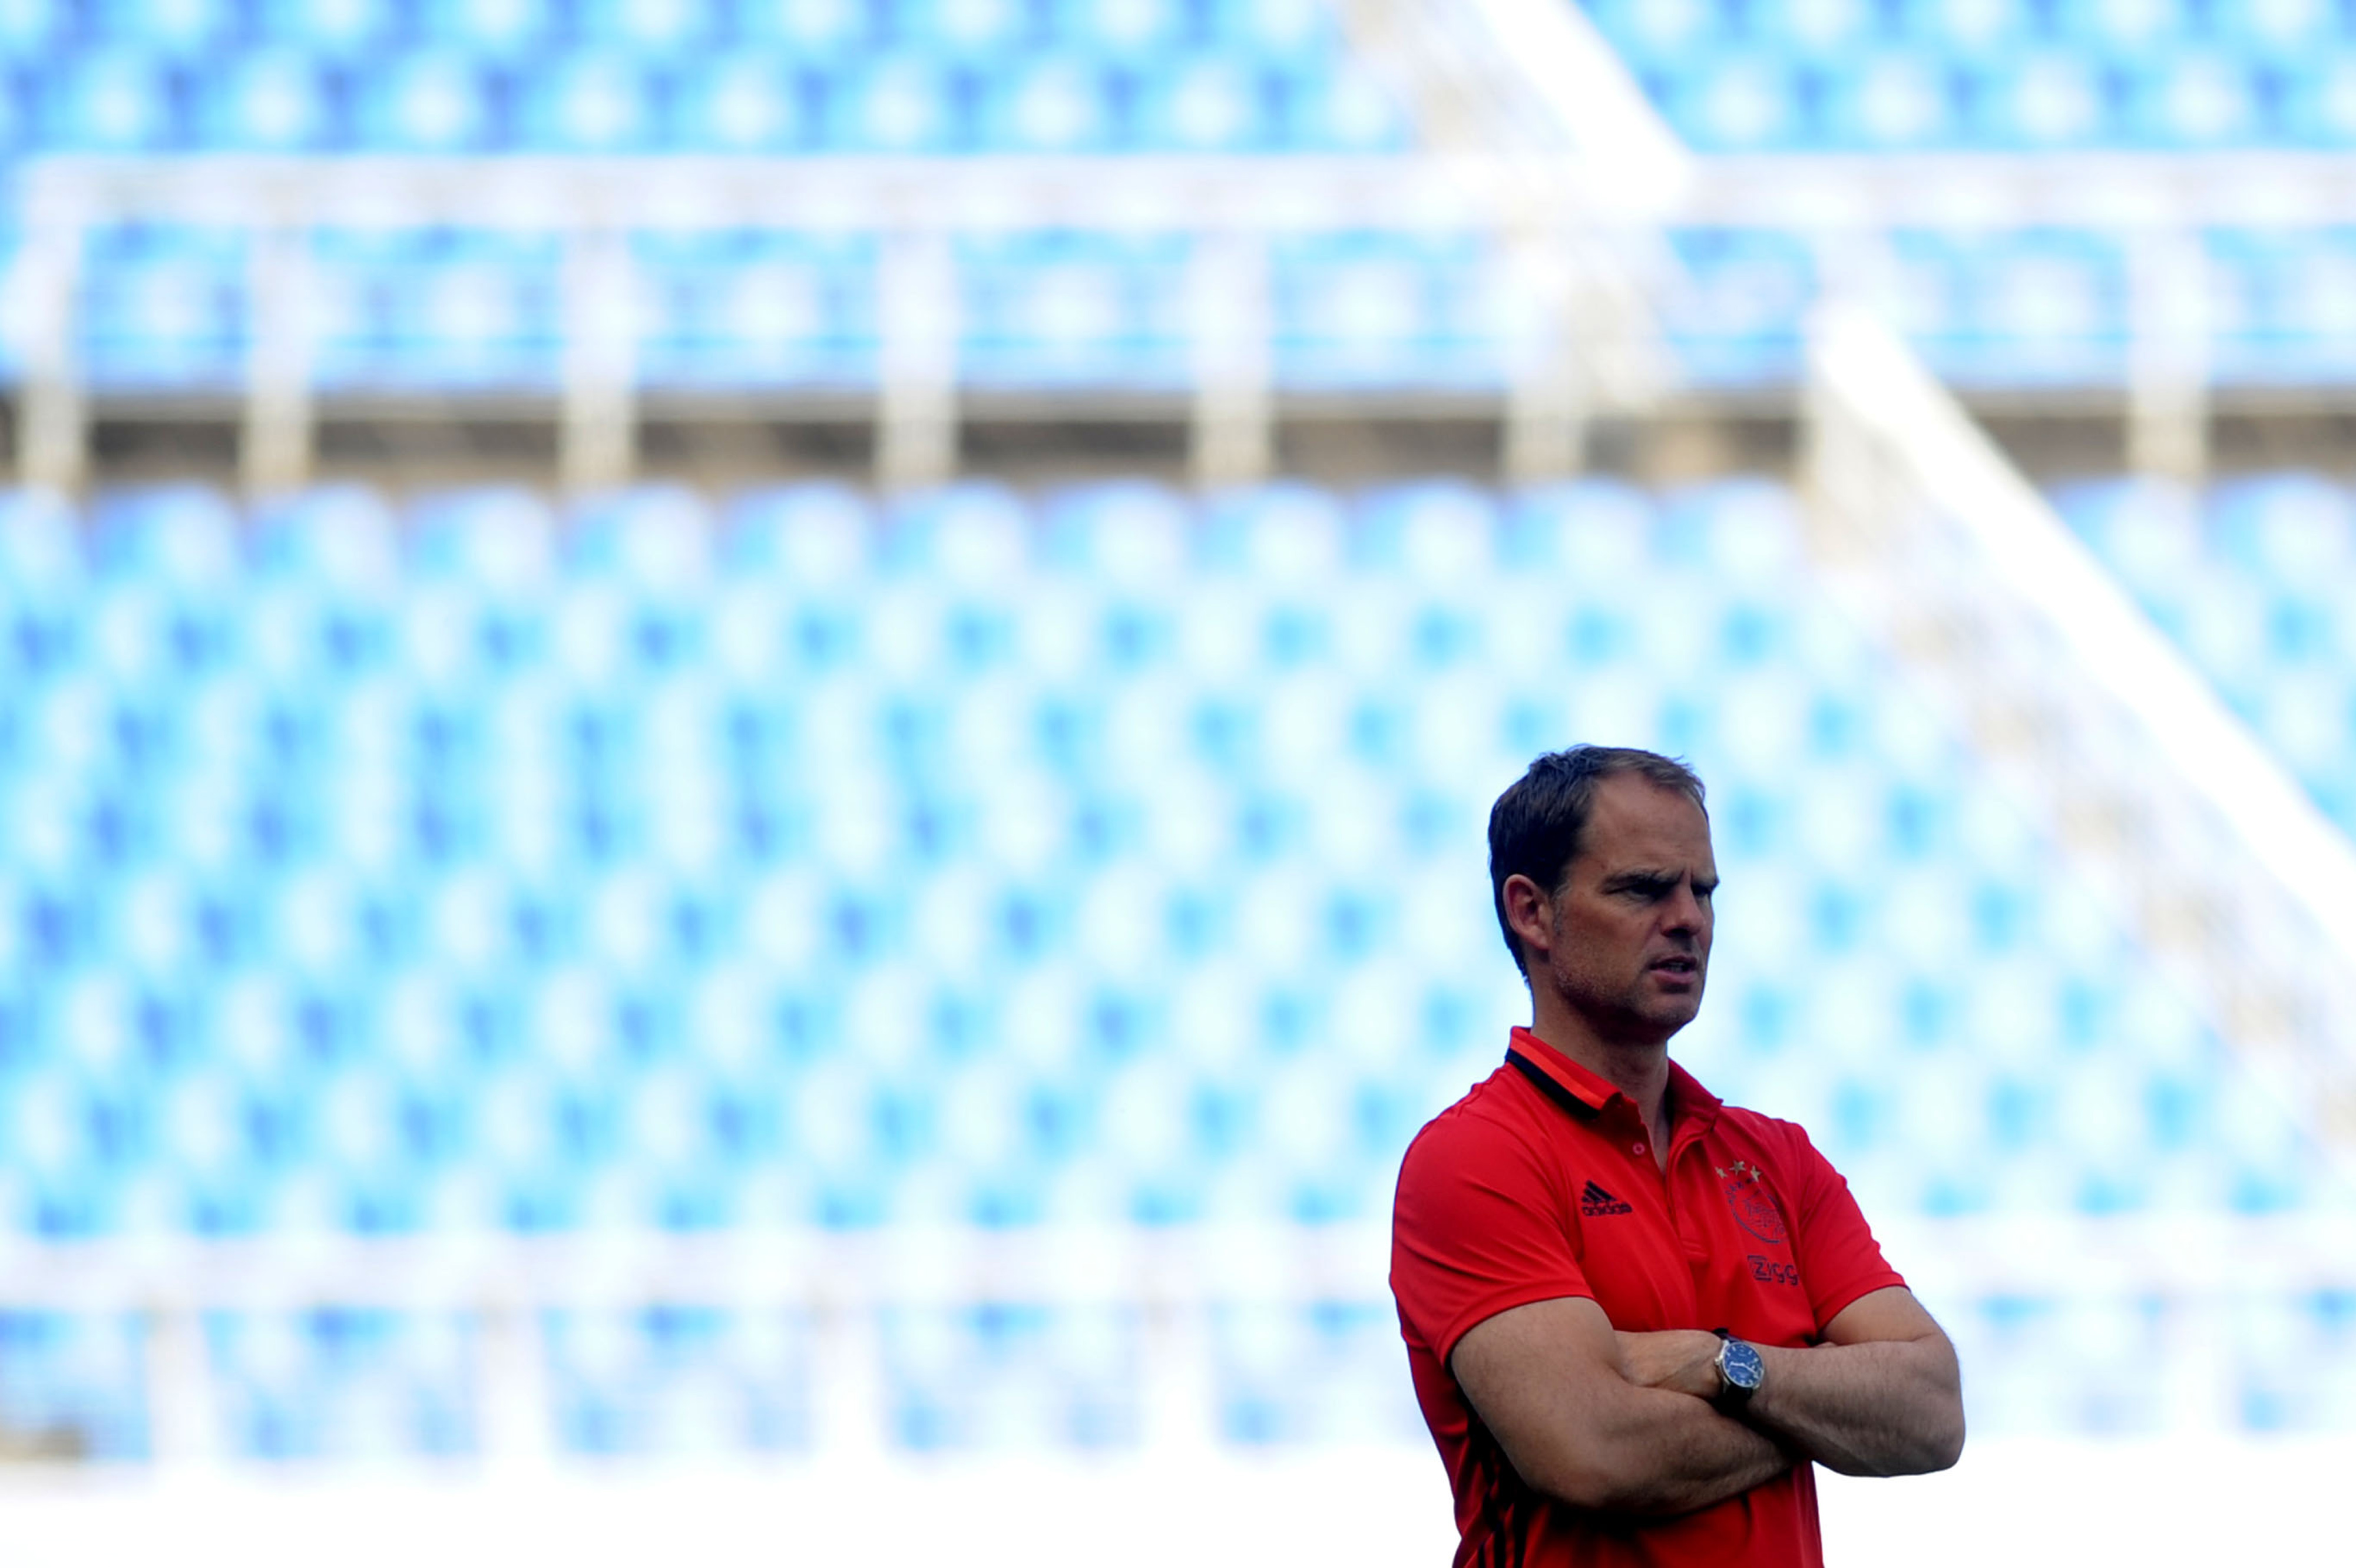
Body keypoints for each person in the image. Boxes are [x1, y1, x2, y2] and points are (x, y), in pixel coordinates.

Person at [1390, 746, 1963, 1567]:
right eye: (1644, 888)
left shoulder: (1777, 1155)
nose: (1689, 918)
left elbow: (1933, 1408)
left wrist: (1720, 1365)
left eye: (1703, 890)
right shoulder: (1474, 1158)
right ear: (1532, 912)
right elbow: (1594, 1450)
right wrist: (1821, 1408)